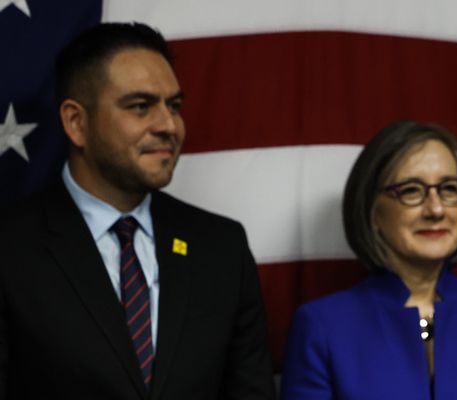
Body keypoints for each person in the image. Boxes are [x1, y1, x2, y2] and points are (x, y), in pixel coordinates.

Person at [0, 22, 275, 398]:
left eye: (174, 106)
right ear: (76, 122)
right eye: (140, 106)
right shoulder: (10, 248)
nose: (169, 125)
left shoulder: (222, 248)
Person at [281, 121, 457, 399]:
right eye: (411, 190)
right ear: (373, 210)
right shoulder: (322, 327)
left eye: (449, 188)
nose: (436, 209)